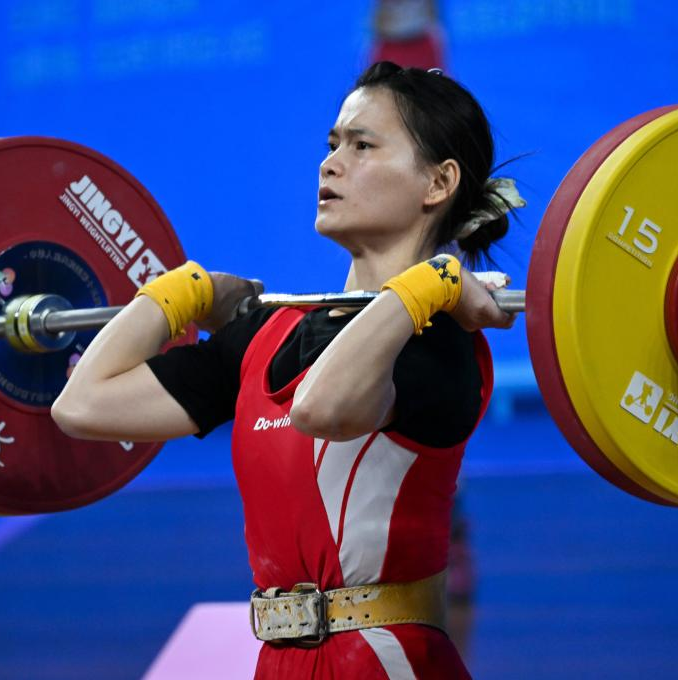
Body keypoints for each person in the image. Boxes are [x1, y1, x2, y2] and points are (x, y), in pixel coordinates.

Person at [52, 61, 523, 679]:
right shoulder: (265, 337)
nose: (330, 164)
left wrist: (430, 283)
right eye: (332, 145)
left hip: (389, 662)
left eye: (362, 146)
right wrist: (184, 292)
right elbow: (82, 404)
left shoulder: (438, 342)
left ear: (437, 183)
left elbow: (321, 409)